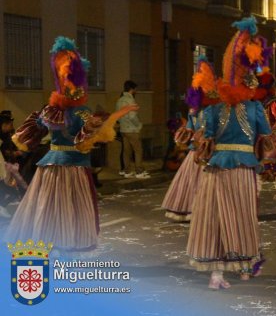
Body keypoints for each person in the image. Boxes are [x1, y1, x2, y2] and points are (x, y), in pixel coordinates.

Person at [5, 36, 138, 250]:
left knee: (46, 207)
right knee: (71, 206)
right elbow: (95, 133)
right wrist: (118, 114)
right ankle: (68, 243)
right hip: (74, 166)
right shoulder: (82, 112)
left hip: (51, 166)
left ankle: (46, 242)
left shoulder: (50, 110)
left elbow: (29, 133)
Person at [186, 16, 274, 289]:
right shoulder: (255, 108)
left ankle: (216, 274)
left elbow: (201, 140)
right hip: (244, 168)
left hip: (217, 168)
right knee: (242, 215)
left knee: (215, 217)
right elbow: (267, 139)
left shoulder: (212, 109)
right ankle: (245, 266)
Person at [162, 56, 218, 222]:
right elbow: (190, 128)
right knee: (193, 182)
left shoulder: (212, 110)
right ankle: (190, 209)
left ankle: (204, 211)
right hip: (197, 151)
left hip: (209, 151)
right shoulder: (195, 111)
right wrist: (186, 135)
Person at [116, 80, 150, 179]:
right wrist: (139, 125)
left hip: (123, 129)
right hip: (132, 130)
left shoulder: (120, 100)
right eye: (135, 89)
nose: (136, 91)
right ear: (132, 89)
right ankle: (139, 171)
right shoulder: (130, 100)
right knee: (138, 150)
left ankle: (127, 171)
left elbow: (117, 116)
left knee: (126, 151)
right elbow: (132, 116)